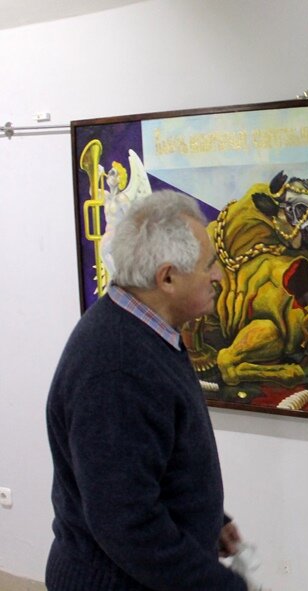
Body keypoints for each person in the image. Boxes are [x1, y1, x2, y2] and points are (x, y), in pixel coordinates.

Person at [45, 190, 250, 590]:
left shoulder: (143, 333)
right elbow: (127, 523)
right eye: (209, 265)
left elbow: (147, 468)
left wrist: (209, 521)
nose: (219, 277)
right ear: (167, 277)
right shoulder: (117, 369)